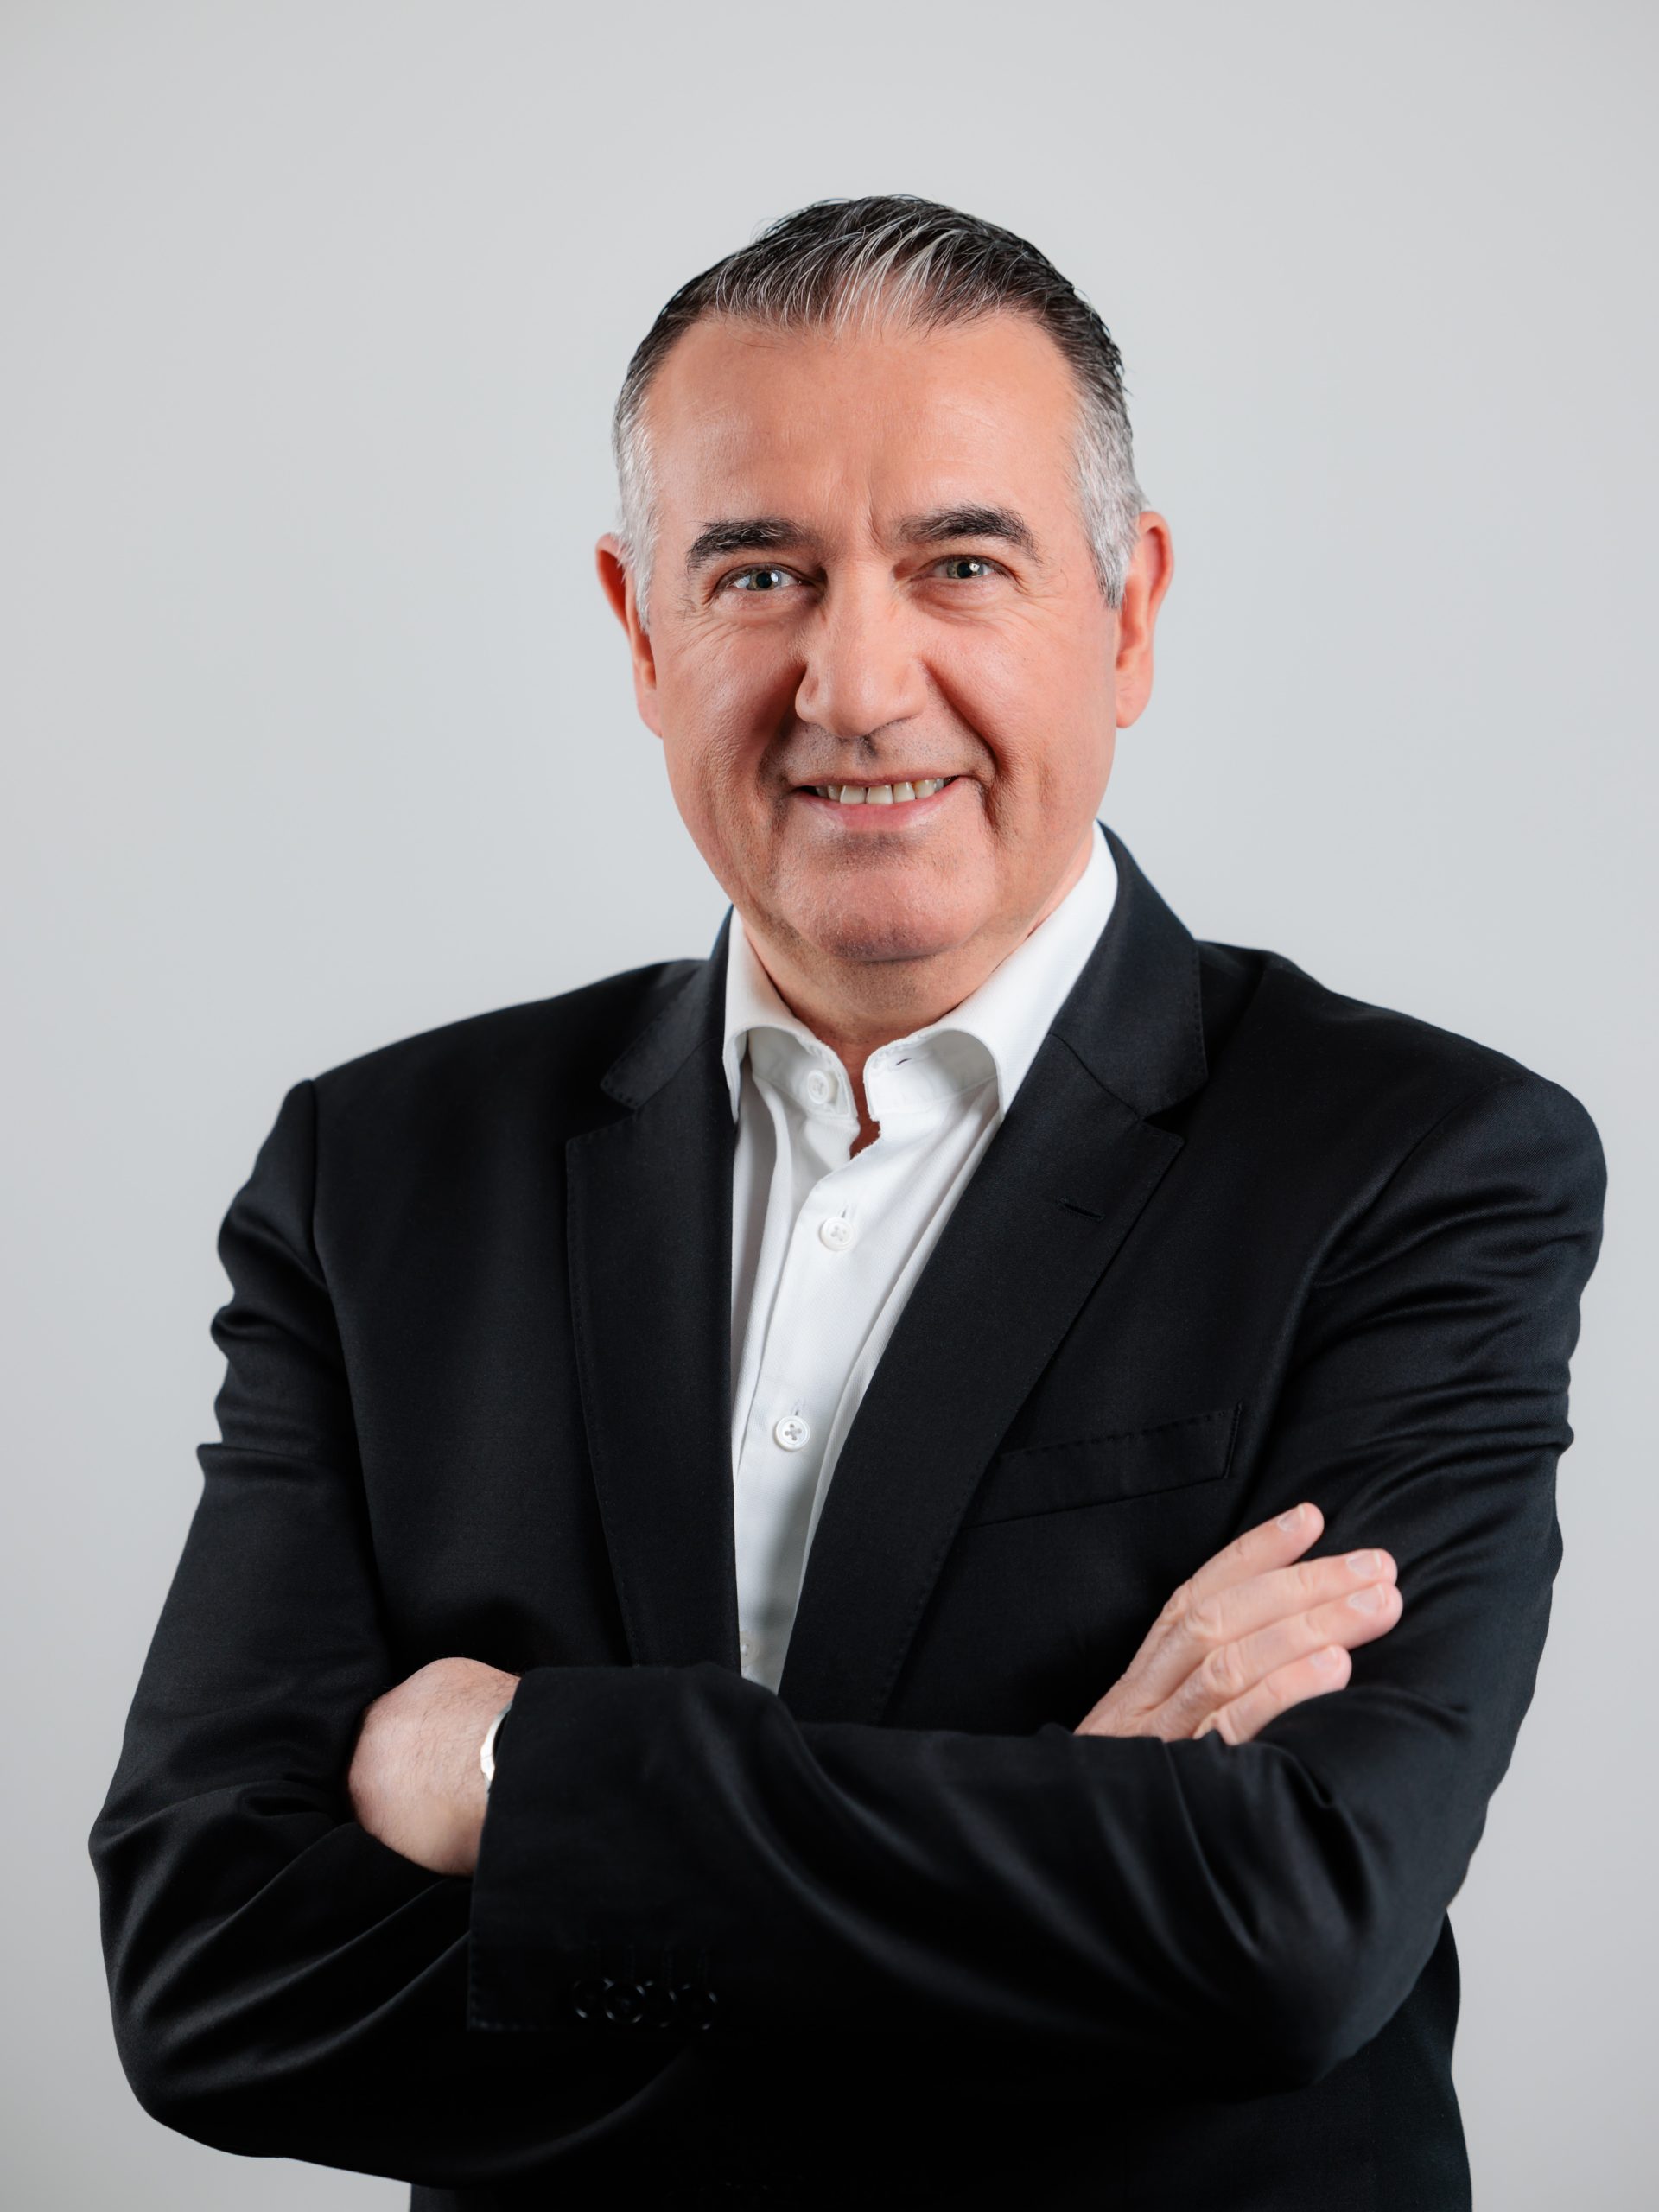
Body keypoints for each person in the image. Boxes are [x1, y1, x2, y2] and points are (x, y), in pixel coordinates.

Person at [91, 195, 1606, 2211]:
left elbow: (1290, 1930)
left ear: (1130, 609)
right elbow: (213, 1978)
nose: (856, 682)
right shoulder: (379, 1177)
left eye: (960, 562)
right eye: (761, 572)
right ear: (642, 630)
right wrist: (1068, 1853)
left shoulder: (1416, 1165)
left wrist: (521, 1781)